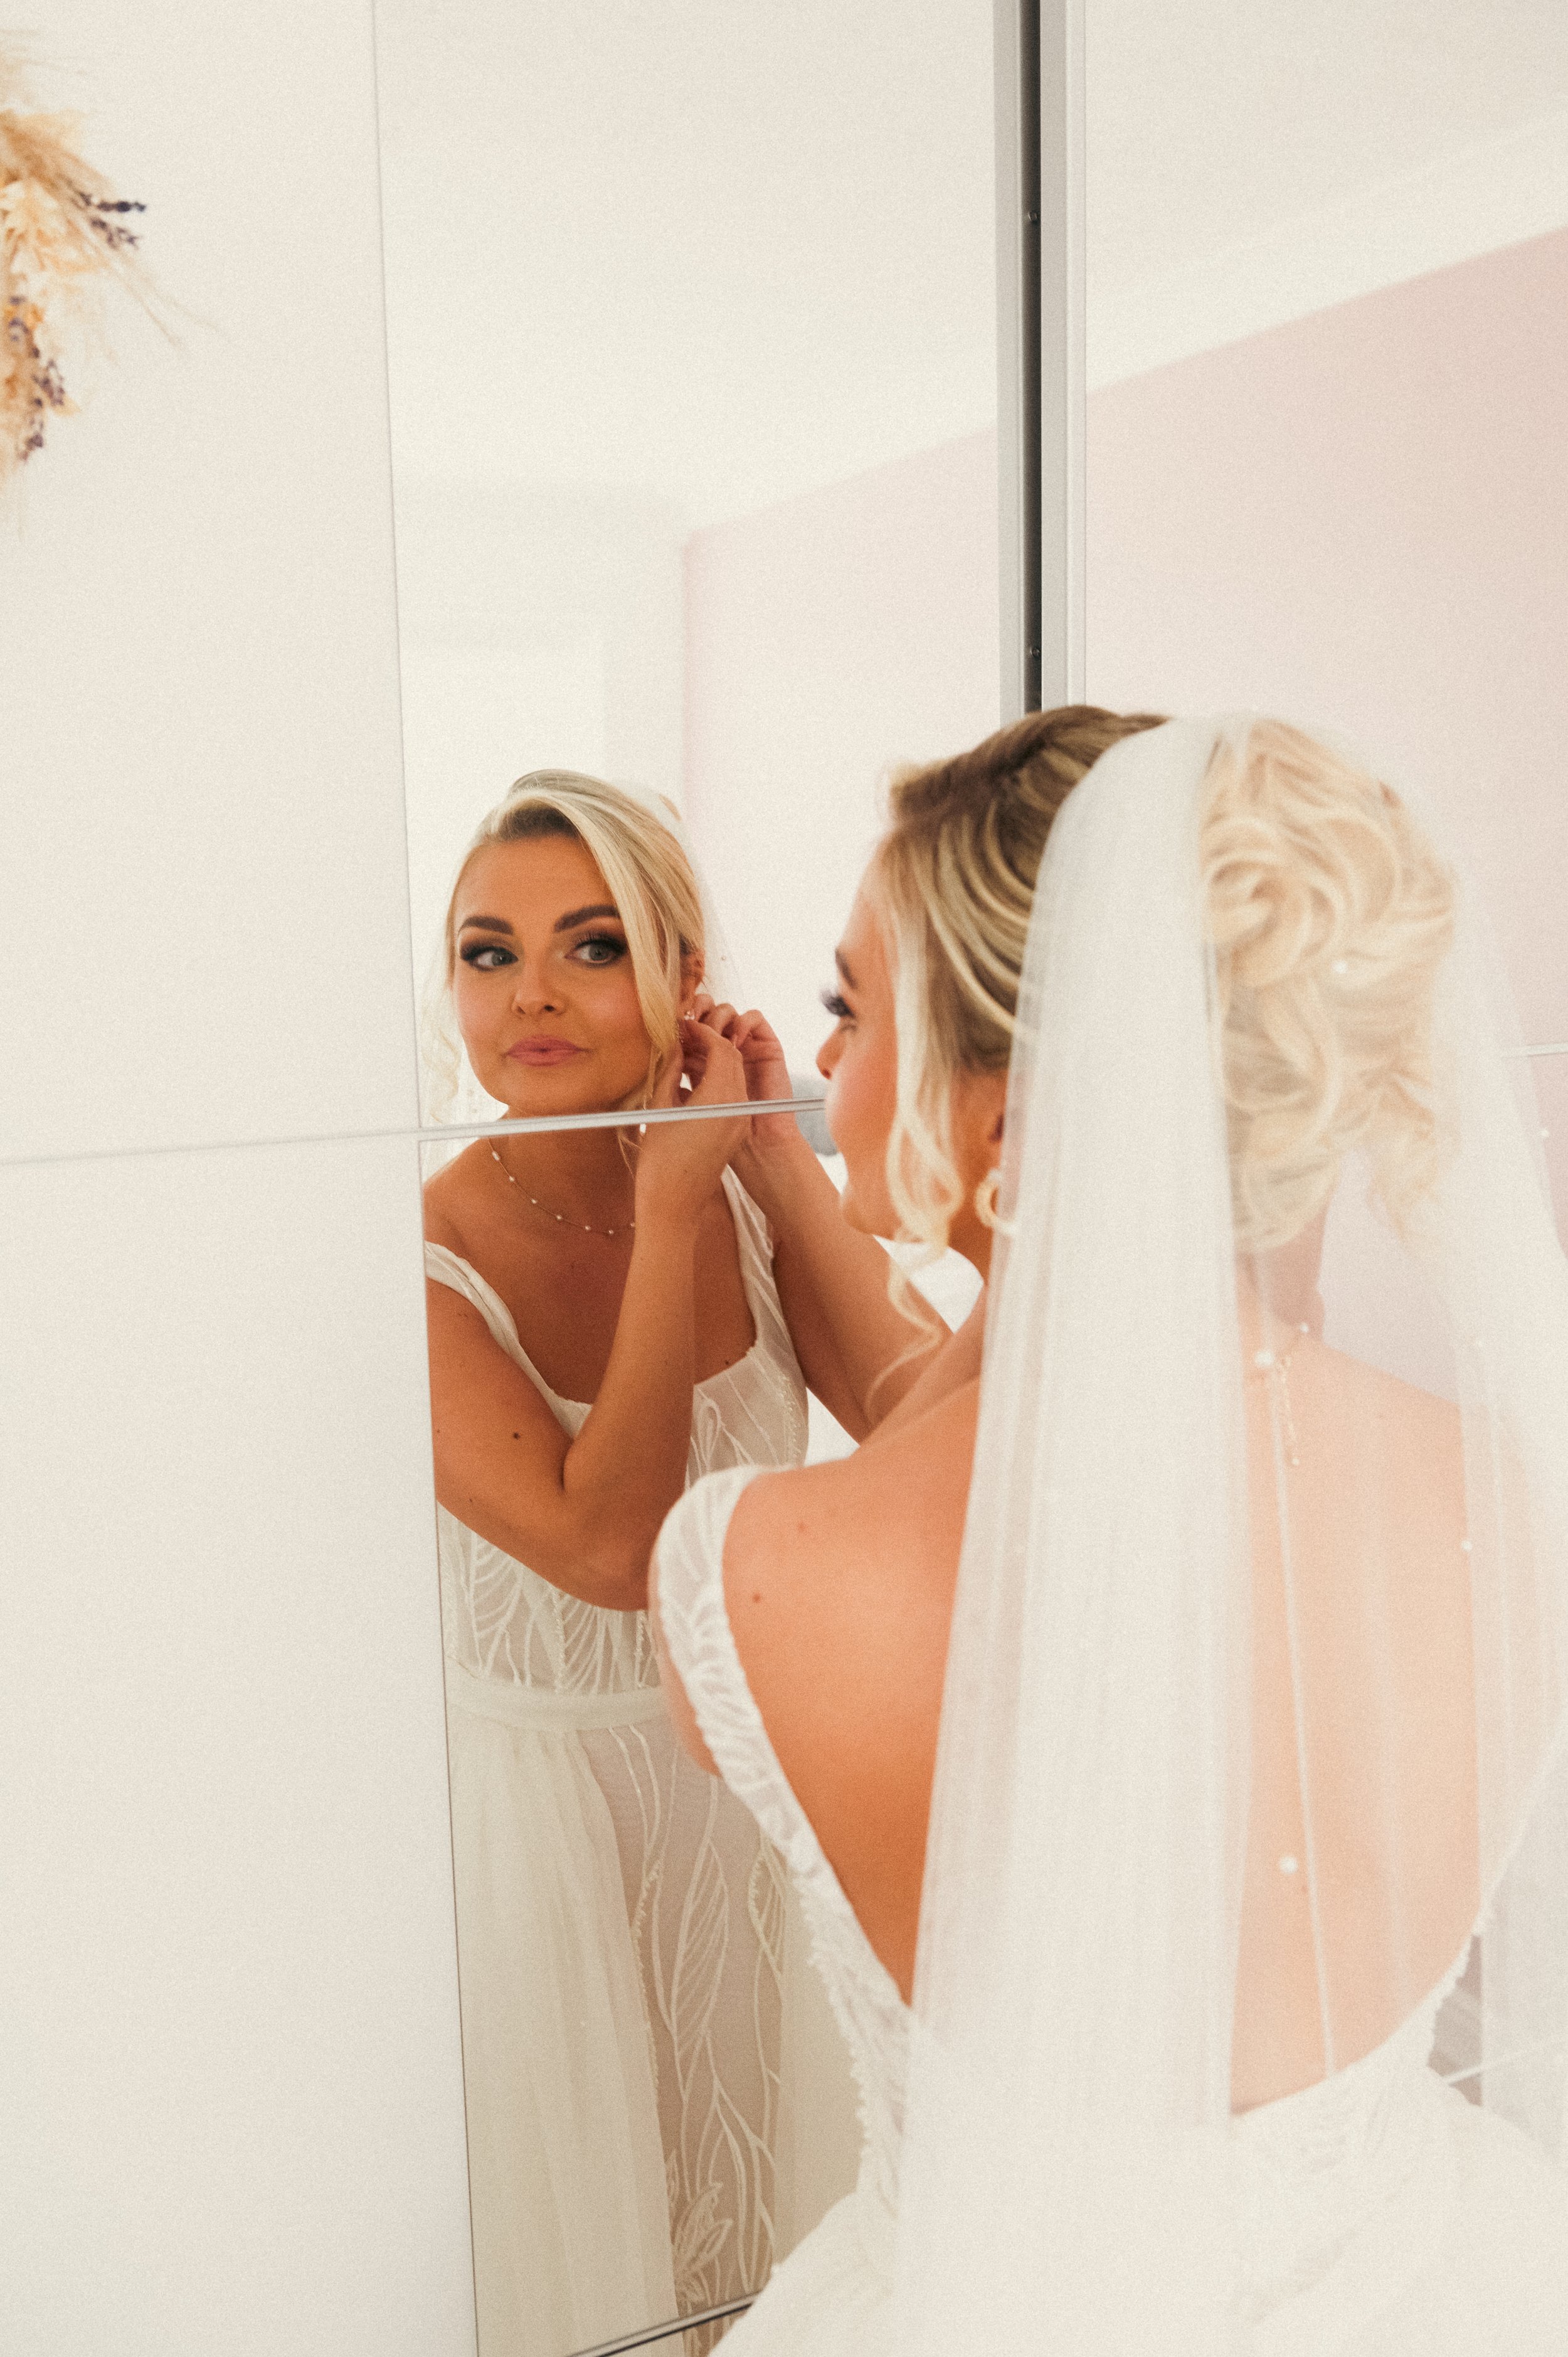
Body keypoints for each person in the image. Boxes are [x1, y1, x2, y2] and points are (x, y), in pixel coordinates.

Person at [652, 711, 1568, 2351]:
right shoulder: (1506, 1493)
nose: (817, 1071)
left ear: (1003, 1124)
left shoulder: (752, 1569)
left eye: (850, 1014)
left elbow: (983, 1480)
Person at [420, 769, 938, 2356]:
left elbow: (919, 1413)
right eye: (485, 951)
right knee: (596, 2269)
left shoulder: (730, 1187)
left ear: (682, 971)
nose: (530, 996)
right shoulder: (422, 1257)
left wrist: (771, 1167)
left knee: (781, 2247)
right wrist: (667, 1212)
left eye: (589, 943)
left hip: (751, 1798)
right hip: (542, 1843)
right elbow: (608, 1545)